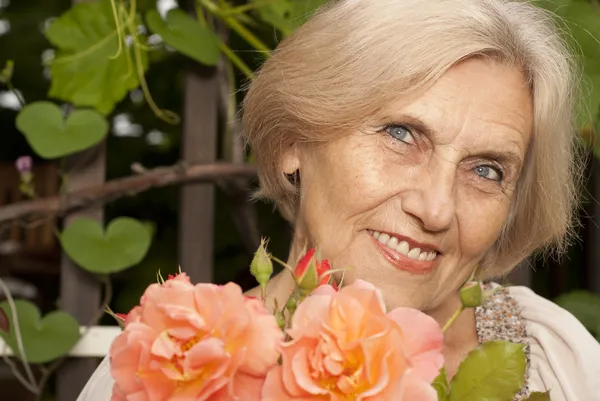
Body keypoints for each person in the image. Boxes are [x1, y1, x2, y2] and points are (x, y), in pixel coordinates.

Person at [77, 0, 600, 400]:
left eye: (486, 170)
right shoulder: (167, 364)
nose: (437, 209)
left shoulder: (559, 360)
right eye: (400, 134)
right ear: (292, 143)